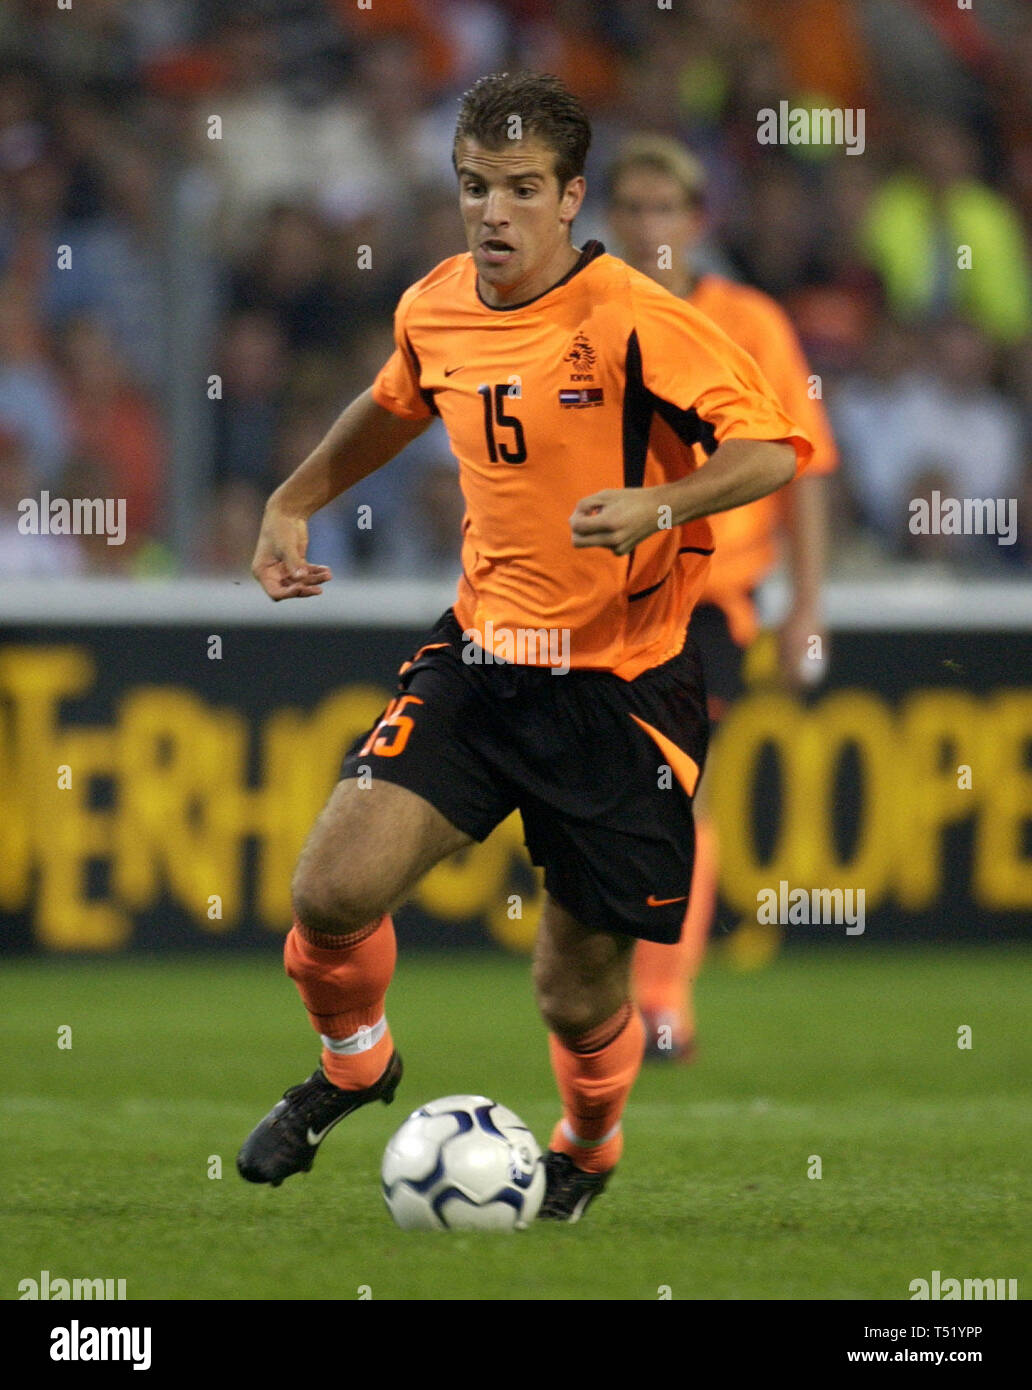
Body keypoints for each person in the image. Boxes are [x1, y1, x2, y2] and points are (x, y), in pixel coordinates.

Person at [237, 73, 812, 1222]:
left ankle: (586, 1148)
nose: (491, 213)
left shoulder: (640, 318)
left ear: (569, 198)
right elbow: (397, 401)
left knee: (572, 990)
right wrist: (292, 496)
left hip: (625, 689)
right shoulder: (437, 304)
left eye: (518, 190)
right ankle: (354, 1064)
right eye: (472, 188)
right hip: (486, 663)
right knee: (330, 890)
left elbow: (777, 448)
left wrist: (663, 504)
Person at [606, 135, 838, 1060]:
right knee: (612, 794)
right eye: (633, 207)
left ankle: (662, 1004)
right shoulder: (585, 317)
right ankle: (620, 994)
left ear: (696, 221)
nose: (649, 224)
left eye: (665, 208)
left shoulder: (752, 322)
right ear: (610, 218)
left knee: (673, 784)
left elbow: (802, 468)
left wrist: (807, 604)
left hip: (711, 596)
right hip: (602, 592)